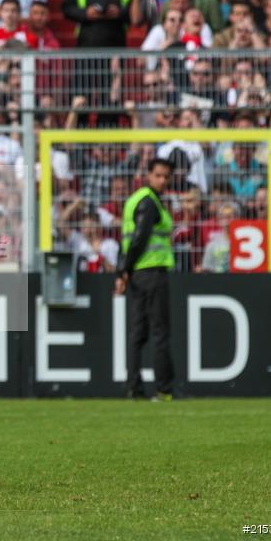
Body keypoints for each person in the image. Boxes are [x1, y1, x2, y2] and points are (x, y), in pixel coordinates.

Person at [115, 158, 176, 401]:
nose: (162, 180)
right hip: (152, 272)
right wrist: (126, 269)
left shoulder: (134, 200)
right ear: (148, 175)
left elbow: (126, 240)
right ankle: (164, 389)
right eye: (158, 175)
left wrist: (123, 272)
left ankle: (134, 387)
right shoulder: (150, 203)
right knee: (160, 333)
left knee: (138, 333)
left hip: (138, 275)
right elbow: (139, 238)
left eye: (166, 176)